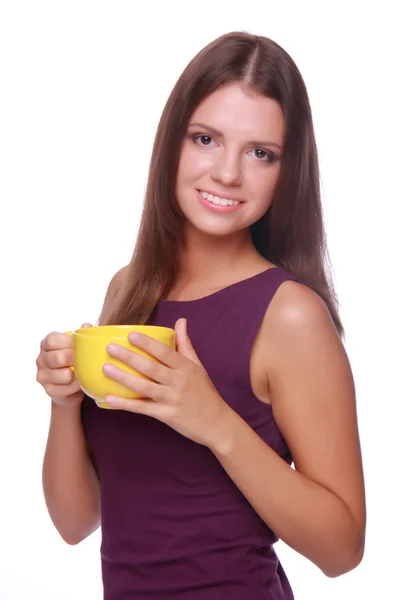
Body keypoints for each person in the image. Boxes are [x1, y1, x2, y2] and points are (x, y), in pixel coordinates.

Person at [36, 31, 366, 599]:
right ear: (173, 143)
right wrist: (65, 405)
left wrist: (213, 421)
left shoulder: (289, 315)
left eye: (261, 152)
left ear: (287, 171)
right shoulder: (129, 291)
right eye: (206, 139)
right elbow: (75, 524)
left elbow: (342, 551)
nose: (228, 173)